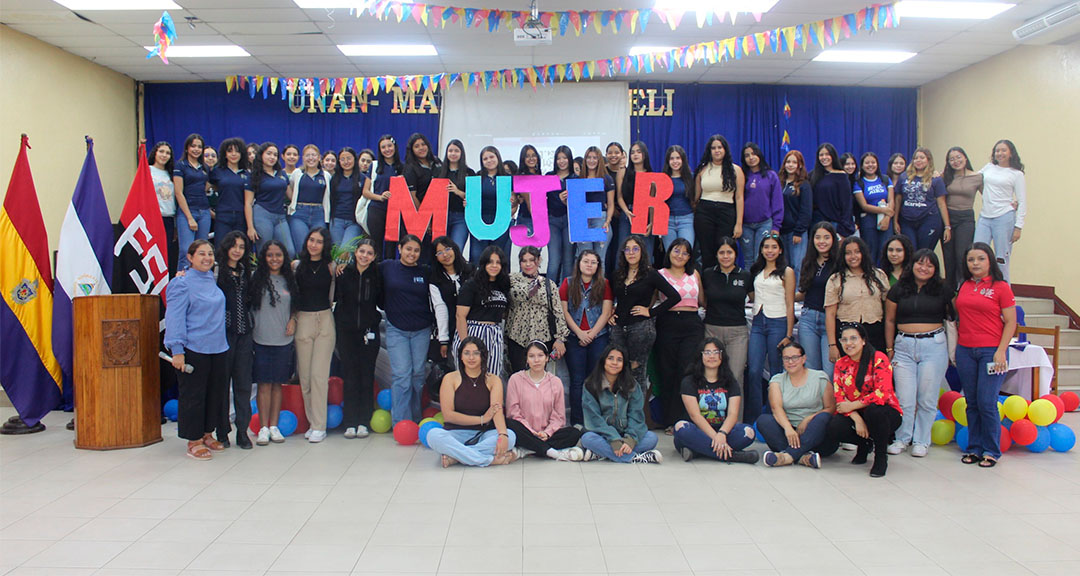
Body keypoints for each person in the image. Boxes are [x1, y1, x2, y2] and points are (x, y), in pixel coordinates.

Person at [885, 249, 954, 457]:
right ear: (912, 264)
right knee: (905, 398)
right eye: (920, 263)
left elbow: (952, 320)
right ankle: (902, 438)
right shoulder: (898, 289)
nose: (924, 268)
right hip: (903, 347)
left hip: (933, 346)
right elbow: (889, 320)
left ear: (935, 269)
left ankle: (922, 440)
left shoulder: (943, 290)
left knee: (927, 397)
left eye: (929, 265)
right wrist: (889, 349)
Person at [164, 240, 228, 460]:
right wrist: (177, 350)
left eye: (210, 253)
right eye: (201, 254)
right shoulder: (181, 283)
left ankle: (207, 433)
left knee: (214, 394)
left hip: (218, 347)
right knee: (194, 396)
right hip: (193, 347)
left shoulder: (212, 279)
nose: (207, 258)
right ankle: (194, 440)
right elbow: (174, 317)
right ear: (190, 258)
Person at [955, 242, 1017, 467]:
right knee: (971, 402)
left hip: (992, 351)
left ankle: (991, 450)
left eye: (980, 258)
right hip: (965, 350)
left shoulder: (1001, 287)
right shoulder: (965, 285)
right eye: (971, 259)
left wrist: (1001, 351)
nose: (975, 263)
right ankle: (974, 448)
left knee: (987, 402)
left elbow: (1011, 322)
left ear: (990, 260)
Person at [609, 234, 680, 428]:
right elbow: (614, 299)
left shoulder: (650, 274)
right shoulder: (618, 274)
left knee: (637, 373)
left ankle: (636, 421)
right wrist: (610, 314)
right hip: (618, 328)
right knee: (617, 371)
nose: (631, 253)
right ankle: (618, 419)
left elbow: (674, 297)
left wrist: (651, 311)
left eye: (635, 249)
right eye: (627, 249)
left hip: (641, 329)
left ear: (642, 251)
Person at [821, 323, 902, 477]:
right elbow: (839, 396)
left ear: (863, 340)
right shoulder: (840, 364)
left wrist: (851, 405)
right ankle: (864, 444)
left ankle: (880, 457)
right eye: (844, 340)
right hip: (856, 412)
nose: (848, 343)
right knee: (833, 426)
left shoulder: (879, 358)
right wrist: (856, 417)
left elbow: (881, 394)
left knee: (874, 411)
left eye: (853, 338)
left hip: (885, 413)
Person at [427, 337, 518, 467]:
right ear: (461, 357)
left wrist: (503, 434)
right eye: (467, 353)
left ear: (482, 356)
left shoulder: (493, 380)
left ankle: (457, 457)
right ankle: (488, 460)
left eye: (476, 353)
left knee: (511, 436)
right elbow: (448, 416)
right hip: (455, 434)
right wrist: (482, 419)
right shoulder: (450, 379)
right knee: (433, 435)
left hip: (482, 434)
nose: (471, 357)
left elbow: (497, 412)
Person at [674, 338, 759, 463]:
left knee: (748, 432)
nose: (712, 356)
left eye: (715, 352)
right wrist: (716, 438)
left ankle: (699, 451)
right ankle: (733, 455)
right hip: (698, 431)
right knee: (681, 428)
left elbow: (733, 414)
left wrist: (722, 434)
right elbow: (695, 416)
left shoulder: (731, 382)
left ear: (722, 356)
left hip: (723, 430)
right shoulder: (689, 381)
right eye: (707, 353)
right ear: (700, 356)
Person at [380, 235, 433, 424]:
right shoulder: (387, 267)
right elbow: (366, 271)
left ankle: (415, 418)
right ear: (400, 248)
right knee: (402, 375)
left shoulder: (425, 271)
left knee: (418, 375)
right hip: (397, 329)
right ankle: (401, 424)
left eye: (416, 250)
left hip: (422, 330)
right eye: (408, 249)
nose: (412, 253)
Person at [580, 344, 662, 463]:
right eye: (610, 358)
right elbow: (594, 419)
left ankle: (601, 453)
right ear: (603, 361)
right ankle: (634, 458)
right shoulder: (590, 385)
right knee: (587, 439)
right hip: (602, 434)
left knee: (651, 438)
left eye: (619, 360)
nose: (614, 363)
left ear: (624, 364)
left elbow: (636, 416)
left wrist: (630, 440)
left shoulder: (632, 386)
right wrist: (613, 439)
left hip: (625, 434)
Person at [757, 342, 834, 469]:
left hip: (815, 433)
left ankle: (787, 456)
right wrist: (788, 428)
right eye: (786, 358)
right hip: (789, 434)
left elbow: (830, 408)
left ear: (803, 359)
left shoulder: (819, 377)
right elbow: (776, 408)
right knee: (764, 420)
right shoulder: (777, 380)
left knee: (823, 417)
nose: (790, 362)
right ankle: (803, 457)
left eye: (795, 357)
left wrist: (808, 419)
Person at [745, 234, 796, 424]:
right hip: (758, 321)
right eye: (766, 247)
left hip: (778, 321)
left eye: (774, 247)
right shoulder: (757, 270)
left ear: (780, 249)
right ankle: (754, 418)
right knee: (754, 370)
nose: (770, 250)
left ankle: (776, 417)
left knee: (776, 371)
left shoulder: (787, 271)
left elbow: (790, 303)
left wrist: (789, 334)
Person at [250, 241, 296, 446]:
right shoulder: (256, 278)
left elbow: (296, 304)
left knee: (278, 384)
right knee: (264, 384)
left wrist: (293, 319)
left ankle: (274, 426)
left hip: (283, 340)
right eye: (270, 255)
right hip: (260, 338)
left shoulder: (290, 279)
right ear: (264, 257)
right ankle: (263, 427)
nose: (274, 259)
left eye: (278, 255)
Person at [560, 249, 613, 426]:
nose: (589, 265)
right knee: (577, 381)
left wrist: (592, 333)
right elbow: (564, 312)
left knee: (595, 379)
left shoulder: (604, 284)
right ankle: (577, 421)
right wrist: (579, 333)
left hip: (598, 337)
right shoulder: (568, 283)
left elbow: (606, 313)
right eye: (586, 261)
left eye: (593, 262)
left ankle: (595, 421)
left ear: (598, 266)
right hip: (575, 337)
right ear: (579, 264)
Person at [505, 341, 584, 461]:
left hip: (547, 435)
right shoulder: (515, 379)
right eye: (531, 356)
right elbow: (513, 412)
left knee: (574, 433)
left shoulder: (555, 382)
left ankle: (527, 450)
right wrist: (531, 432)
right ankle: (550, 451)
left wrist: (547, 433)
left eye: (540, 356)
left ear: (547, 358)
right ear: (526, 359)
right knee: (510, 424)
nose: (536, 360)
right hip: (523, 432)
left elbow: (559, 416)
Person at [292, 227, 336, 443]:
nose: (314, 245)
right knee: (306, 377)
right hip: (303, 321)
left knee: (319, 376)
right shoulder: (297, 266)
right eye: (311, 240)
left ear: (324, 245)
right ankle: (312, 422)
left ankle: (320, 425)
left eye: (319, 241)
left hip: (325, 321)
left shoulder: (331, 267)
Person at [655, 238, 705, 428]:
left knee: (688, 372)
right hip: (667, 323)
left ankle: (685, 420)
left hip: (691, 324)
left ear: (689, 257)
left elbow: (702, 301)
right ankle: (669, 421)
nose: (680, 255)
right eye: (676, 251)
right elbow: (651, 300)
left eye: (685, 253)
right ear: (669, 252)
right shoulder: (660, 274)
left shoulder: (694, 274)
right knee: (667, 372)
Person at [335, 239, 381, 439]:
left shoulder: (378, 275)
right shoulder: (343, 273)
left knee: (366, 376)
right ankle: (350, 422)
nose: (365, 256)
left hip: (369, 332)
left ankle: (364, 421)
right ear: (356, 252)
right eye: (362, 251)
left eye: (369, 253)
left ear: (374, 257)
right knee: (350, 376)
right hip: (346, 333)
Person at [214, 231, 253, 449]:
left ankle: (243, 431)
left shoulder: (247, 272)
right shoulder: (216, 271)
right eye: (234, 246)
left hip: (244, 333)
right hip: (222, 334)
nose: (237, 250)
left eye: (242, 247)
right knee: (222, 385)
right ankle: (222, 430)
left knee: (243, 385)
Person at [506, 247, 569, 373]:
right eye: (524, 261)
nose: (528, 264)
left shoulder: (549, 284)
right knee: (517, 377)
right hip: (516, 337)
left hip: (542, 338)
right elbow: (522, 294)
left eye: (531, 260)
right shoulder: (512, 279)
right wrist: (537, 283)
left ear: (539, 260)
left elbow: (558, 312)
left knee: (539, 379)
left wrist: (560, 338)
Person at [825, 237, 889, 358]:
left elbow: (888, 309)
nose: (853, 256)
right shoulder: (835, 279)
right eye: (848, 253)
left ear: (863, 253)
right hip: (846, 334)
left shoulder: (879, 275)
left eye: (857, 252)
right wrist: (832, 345)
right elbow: (830, 314)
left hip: (875, 332)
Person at [701, 237, 751, 388]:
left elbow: (754, 298)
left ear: (735, 254)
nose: (725, 256)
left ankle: (735, 412)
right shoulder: (708, 274)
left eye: (729, 252)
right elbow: (703, 300)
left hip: (737, 332)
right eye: (721, 252)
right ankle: (713, 412)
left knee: (735, 377)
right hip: (712, 330)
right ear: (716, 255)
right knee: (712, 375)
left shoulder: (745, 276)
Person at [975, 140, 1026, 282]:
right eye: (997, 150)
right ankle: (979, 289)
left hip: (1004, 218)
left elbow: (1022, 202)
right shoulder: (989, 167)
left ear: (1011, 153)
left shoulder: (1016, 174)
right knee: (977, 254)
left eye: (1004, 150)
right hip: (985, 217)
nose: (1000, 153)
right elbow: (972, 179)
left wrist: (1018, 227)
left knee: (1001, 258)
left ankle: (1005, 293)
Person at [455, 245, 510, 376]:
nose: (494, 266)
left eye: (498, 262)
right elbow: (460, 316)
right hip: (473, 331)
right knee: (469, 377)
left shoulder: (503, 285)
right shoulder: (471, 285)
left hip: (495, 333)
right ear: (484, 263)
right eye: (490, 262)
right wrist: (465, 344)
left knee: (492, 376)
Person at [694, 135, 745, 269]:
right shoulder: (703, 169)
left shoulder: (736, 170)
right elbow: (696, 197)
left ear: (725, 150)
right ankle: (707, 284)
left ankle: (723, 283)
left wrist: (739, 224)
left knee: (724, 248)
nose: (717, 150)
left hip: (726, 212)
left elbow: (739, 197)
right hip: (704, 212)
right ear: (709, 151)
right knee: (706, 251)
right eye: (713, 148)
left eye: (720, 147)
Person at [797, 222, 840, 377]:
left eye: (826, 237)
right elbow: (803, 293)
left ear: (833, 240)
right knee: (812, 370)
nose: (822, 241)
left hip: (830, 319)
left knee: (830, 371)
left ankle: (830, 402)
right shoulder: (808, 262)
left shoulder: (839, 263)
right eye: (818, 237)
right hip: (808, 318)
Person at [894, 147, 950, 252]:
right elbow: (898, 200)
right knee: (910, 251)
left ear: (928, 160)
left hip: (929, 219)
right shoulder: (904, 177)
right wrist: (895, 220)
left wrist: (947, 227)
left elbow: (942, 204)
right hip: (907, 220)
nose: (918, 160)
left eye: (922, 158)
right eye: (916, 158)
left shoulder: (936, 179)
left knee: (924, 252)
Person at [942, 146, 982, 289]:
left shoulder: (977, 177)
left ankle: (964, 288)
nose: (956, 161)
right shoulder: (944, 176)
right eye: (952, 159)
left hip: (965, 219)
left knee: (962, 256)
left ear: (965, 157)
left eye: (958, 157)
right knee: (949, 258)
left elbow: (990, 197)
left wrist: (1011, 203)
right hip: (947, 219)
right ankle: (950, 293)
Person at [245, 142, 294, 256]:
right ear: (261, 155)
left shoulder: (282, 174)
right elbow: (247, 203)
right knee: (264, 251)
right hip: (262, 215)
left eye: (275, 155)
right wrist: (250, 227)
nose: (272, 157)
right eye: (269, 154)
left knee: (289, 251)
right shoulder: (253, 175)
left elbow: (291, 196)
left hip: (280, 217)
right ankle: (264, 274)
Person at [429, 237, 472, 364]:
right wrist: (444, 339)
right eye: (440, 252)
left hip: (474, 329)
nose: (445, 254)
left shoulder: (470, 271)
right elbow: (440, 309)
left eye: (448, 249)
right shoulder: (435, 279)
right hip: (452, 330)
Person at [740, 142, 784, 265]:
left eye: (753, 154)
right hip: (745, 225)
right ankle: (750, 284)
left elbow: (777, 202)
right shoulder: (741, 176)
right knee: (748, 259)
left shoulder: (771, 176)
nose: (751, 158)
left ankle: (761, 284)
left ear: (759, 155)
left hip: (764, 224)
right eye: (747, 155)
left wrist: (776, 226)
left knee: (760, 258)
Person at [173, 133, 211, 267]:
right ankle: (182, 283)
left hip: (204, 213)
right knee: (186, 250)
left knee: (202, 251)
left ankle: (199, 283)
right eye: (193, 146)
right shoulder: (180, 166)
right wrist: (189, 217)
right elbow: (178, 192)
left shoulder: (205, 167)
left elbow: (207, 187)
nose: (196, 149)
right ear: (187, 148)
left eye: (199, 147)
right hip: (187, 212)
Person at [402, 133, 441, 261]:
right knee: (424, 253)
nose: (421, 148)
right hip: (421, 216)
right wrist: (425, 219)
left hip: (440, 213)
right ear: (412, 150)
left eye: (423, 144)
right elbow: (412, 196)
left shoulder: (437, 162)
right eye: (416, 146)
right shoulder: (410, 168)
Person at [469, 146, 512, 261]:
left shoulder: (507, 178)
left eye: (491, 157)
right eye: (485, 159)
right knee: (477, 257)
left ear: (498, 157)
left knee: (498, 257)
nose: (489, 161)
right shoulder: (477, 178)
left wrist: (514, 202)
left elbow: (516, 200)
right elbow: (471, 199)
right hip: (479, 222)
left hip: (501, 223)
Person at [287, 144, 331, 255]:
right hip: (299, 213)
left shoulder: (326, 175)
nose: (311, 158)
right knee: (302, 247)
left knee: (318, 247)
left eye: (313, 155)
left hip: (319, 214)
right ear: (303, 158)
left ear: (319, 157)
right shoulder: (297, 173)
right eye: (307, 155)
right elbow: (290, 188)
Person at [852, 152, 893, 265]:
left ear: (877, 164)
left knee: (885, 251)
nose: (870, 165)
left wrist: (887, 218)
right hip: (868, 221)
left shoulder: (885, 179)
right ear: (862, 165)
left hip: (886, 220)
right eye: (867, 163)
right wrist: (884, 210)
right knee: (870, 251)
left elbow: (891, 200)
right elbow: (864, 206)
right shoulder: (858, 182)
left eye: (873, 162)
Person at [778, 150, 812, 283]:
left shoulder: (804, 185)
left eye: (794, 162)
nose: (790, 165)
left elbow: (806, 211)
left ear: (800, 165)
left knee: (797, 266)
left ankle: (798, 295)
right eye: (788, 162)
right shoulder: (779, 183)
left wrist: (799, 231)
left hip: (796, 233)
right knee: (784, 267)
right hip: (781, 232)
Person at [209, 138, 249, 248]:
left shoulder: (247, 173)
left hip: (241, 216)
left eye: (237, 151)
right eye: (230, 151)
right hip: (222, 216)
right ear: (224, 154)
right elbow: (205, 189)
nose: (233, 154)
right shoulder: (217, 172)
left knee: (239, 247)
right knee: (221, 247)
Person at [810, 143, 855, 237]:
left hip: (834, 224)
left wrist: (844, 229)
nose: (824, 157)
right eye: (821, 155)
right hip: (816, 223)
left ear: (833, 156)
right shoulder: (812, 176)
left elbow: (846, 204)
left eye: (827, 154)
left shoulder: (841, 176)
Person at [614, 141, 651, 258]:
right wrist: (626, 212)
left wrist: (651, 222)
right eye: (632, 152)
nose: (635, 155)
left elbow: (654, 202)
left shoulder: (651, 174)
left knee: (645, 252)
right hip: (627, 214)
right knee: (623, 251)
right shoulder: (623, 172)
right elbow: (619, 197)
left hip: (645, 215)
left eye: (639, 152)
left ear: (644, 155)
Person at [545, 145, 575, 283]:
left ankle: (566, 295)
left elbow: (578, 205)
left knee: (568, 259)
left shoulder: (576, 178)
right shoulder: (548, 177)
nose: (562, 161)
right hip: (552, 221)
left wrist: (566, 202)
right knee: (554, 259)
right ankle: (549, 294)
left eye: (564, 158)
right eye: (559, 158)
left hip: (570, 221)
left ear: (570, 159)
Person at [328, 147, 370, 248]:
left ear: (355, 159)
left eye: (349, 158)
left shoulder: (363, 178)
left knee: (346, 250)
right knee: (337, 252)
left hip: (354, 222)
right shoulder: (334, 178)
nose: (346, 162)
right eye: (342, 159)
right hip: (336, 220)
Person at [579, 146, 616, 260]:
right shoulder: (579, 179)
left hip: (600, 220)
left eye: (595, 158)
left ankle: (599, 279)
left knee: (599, 260)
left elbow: (610, 204)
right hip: (583, 221)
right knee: (585, 259)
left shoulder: (606, 179)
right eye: (589, 157)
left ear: (599, 160)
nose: (591, 160)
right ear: (585, 160)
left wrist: (608, 221)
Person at [437, 139, 474, 251]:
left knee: (456, 249)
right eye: (450, 151)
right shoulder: (439, 171)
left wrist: (457, 191)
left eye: (456, 151)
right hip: (441, 216)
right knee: (441, 250)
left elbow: (473, 198)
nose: (453, 154)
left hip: (461, 217)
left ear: (461, 153)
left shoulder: (469, 173)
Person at [368, 135, 401, 260]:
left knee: (391, 247)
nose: (387, 149)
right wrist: (380, 197)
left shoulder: (402, 167)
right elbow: (365, 191)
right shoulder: (374, 165)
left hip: (394, 211)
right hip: (376, 209)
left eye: (389, 146)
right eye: (383, 147)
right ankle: (374, 275)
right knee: (375, 244)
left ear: (395, 147)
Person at [149, 141, 179, 274]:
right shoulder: (147, 170)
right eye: (161, 151)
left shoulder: (172, 173)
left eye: (167, 153)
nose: (164, 155)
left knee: (167, 253)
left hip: (169, 218)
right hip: (153, 218)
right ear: (155, 153)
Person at [661, 145, 696, 250]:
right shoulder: (662, 179)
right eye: (672, 158)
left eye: (678, 158)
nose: (675, 161)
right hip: (667, 221)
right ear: (668, 161)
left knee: (685, 252)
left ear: (683, 160)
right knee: (670, 254)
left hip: (687, 220)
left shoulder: (691, 177)